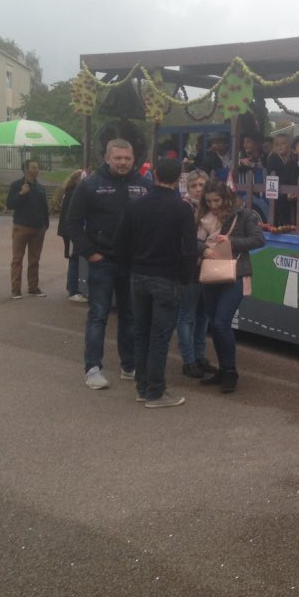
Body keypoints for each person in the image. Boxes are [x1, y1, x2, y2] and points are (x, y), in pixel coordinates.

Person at [65, 138, 150, 390]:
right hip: (102, 262)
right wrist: (90, 253)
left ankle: (129, 365)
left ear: (134, 159)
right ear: (107, 158)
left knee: (130, 316)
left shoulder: (144, 186)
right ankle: (93, 368)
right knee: (99, 315)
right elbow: (72, 222)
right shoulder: (90, 185)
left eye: (127, 158)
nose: (123, 163)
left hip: (133, 263)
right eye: (118, 158)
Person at [113, 158, 197, 408]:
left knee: (141, 333)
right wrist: (186, 277)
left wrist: (130, 267)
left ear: (155, 174)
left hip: (138, 275)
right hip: (166, 277)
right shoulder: (182, 209)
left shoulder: (135, 205)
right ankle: (155, 392)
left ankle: (142, 387)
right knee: (160, 337)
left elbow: (120, 243)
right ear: (179, 177)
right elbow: (190, 250)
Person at [197, 180, 265, 392]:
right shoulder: (202, 216)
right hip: (211, 272)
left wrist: (231, 241)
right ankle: (223, 369)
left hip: (234, 273)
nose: (213, 205)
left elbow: (258, 240)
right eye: (208, 201)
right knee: (215, 325)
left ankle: (230, 372)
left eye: (216, 200)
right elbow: (194, 240)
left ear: (225, 198)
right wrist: (202, 249)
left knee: (221, 323)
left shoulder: (243, 214)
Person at [177, 170, 215, 379]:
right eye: (194, 186)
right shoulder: (184, 207)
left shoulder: (213, 207)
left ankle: (201, 356)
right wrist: (202, 249)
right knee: (187, 314)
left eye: (202, 185)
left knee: (203, 314)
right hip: (190, 267)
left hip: (208, 267)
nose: (199, 189)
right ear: (188, 188)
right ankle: (188, 359)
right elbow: (185, 238)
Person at [5, 158, 50, 299]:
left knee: (34, 260)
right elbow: (10, 204)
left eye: (37, 167)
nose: (37, 170)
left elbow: (44, 208)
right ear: (26, 170)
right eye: (34, 167)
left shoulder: (40, 187)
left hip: (38, 228)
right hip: (21, 227)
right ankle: (16, 289)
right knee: (17, 259)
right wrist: (21, 194)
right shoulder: (17, 185)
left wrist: (45, 225)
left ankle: (33, 287)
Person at [55, 169, 87, 302]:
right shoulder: (73, 193)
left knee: (75, 259)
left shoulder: (70, 192)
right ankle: (73, 291)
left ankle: (72, 287)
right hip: (71, 232)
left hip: (69, 231)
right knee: (74, 259)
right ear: (77, 180)